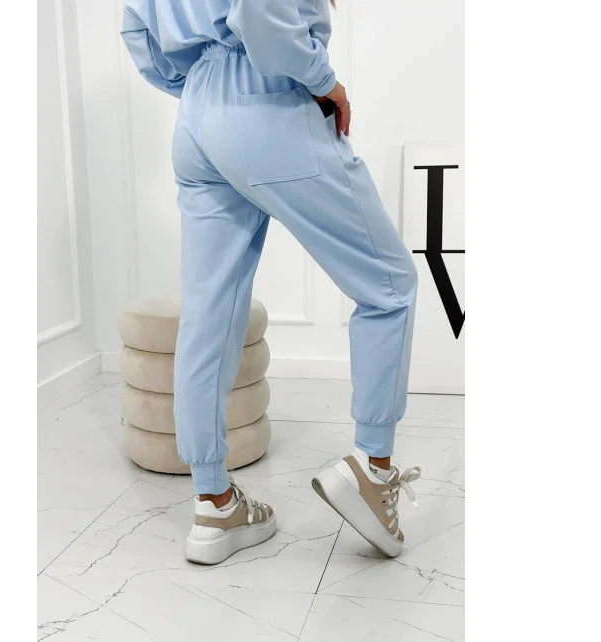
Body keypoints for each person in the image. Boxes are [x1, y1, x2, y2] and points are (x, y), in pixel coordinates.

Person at [121, 0, 421, 565]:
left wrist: (198, 79)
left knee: (209, 311)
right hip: (268, 97)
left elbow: (136, 25)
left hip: (197, 115)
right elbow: (261, 12)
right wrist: (324, 82)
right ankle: (373, 471)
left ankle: (214, 503)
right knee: (390, 286)